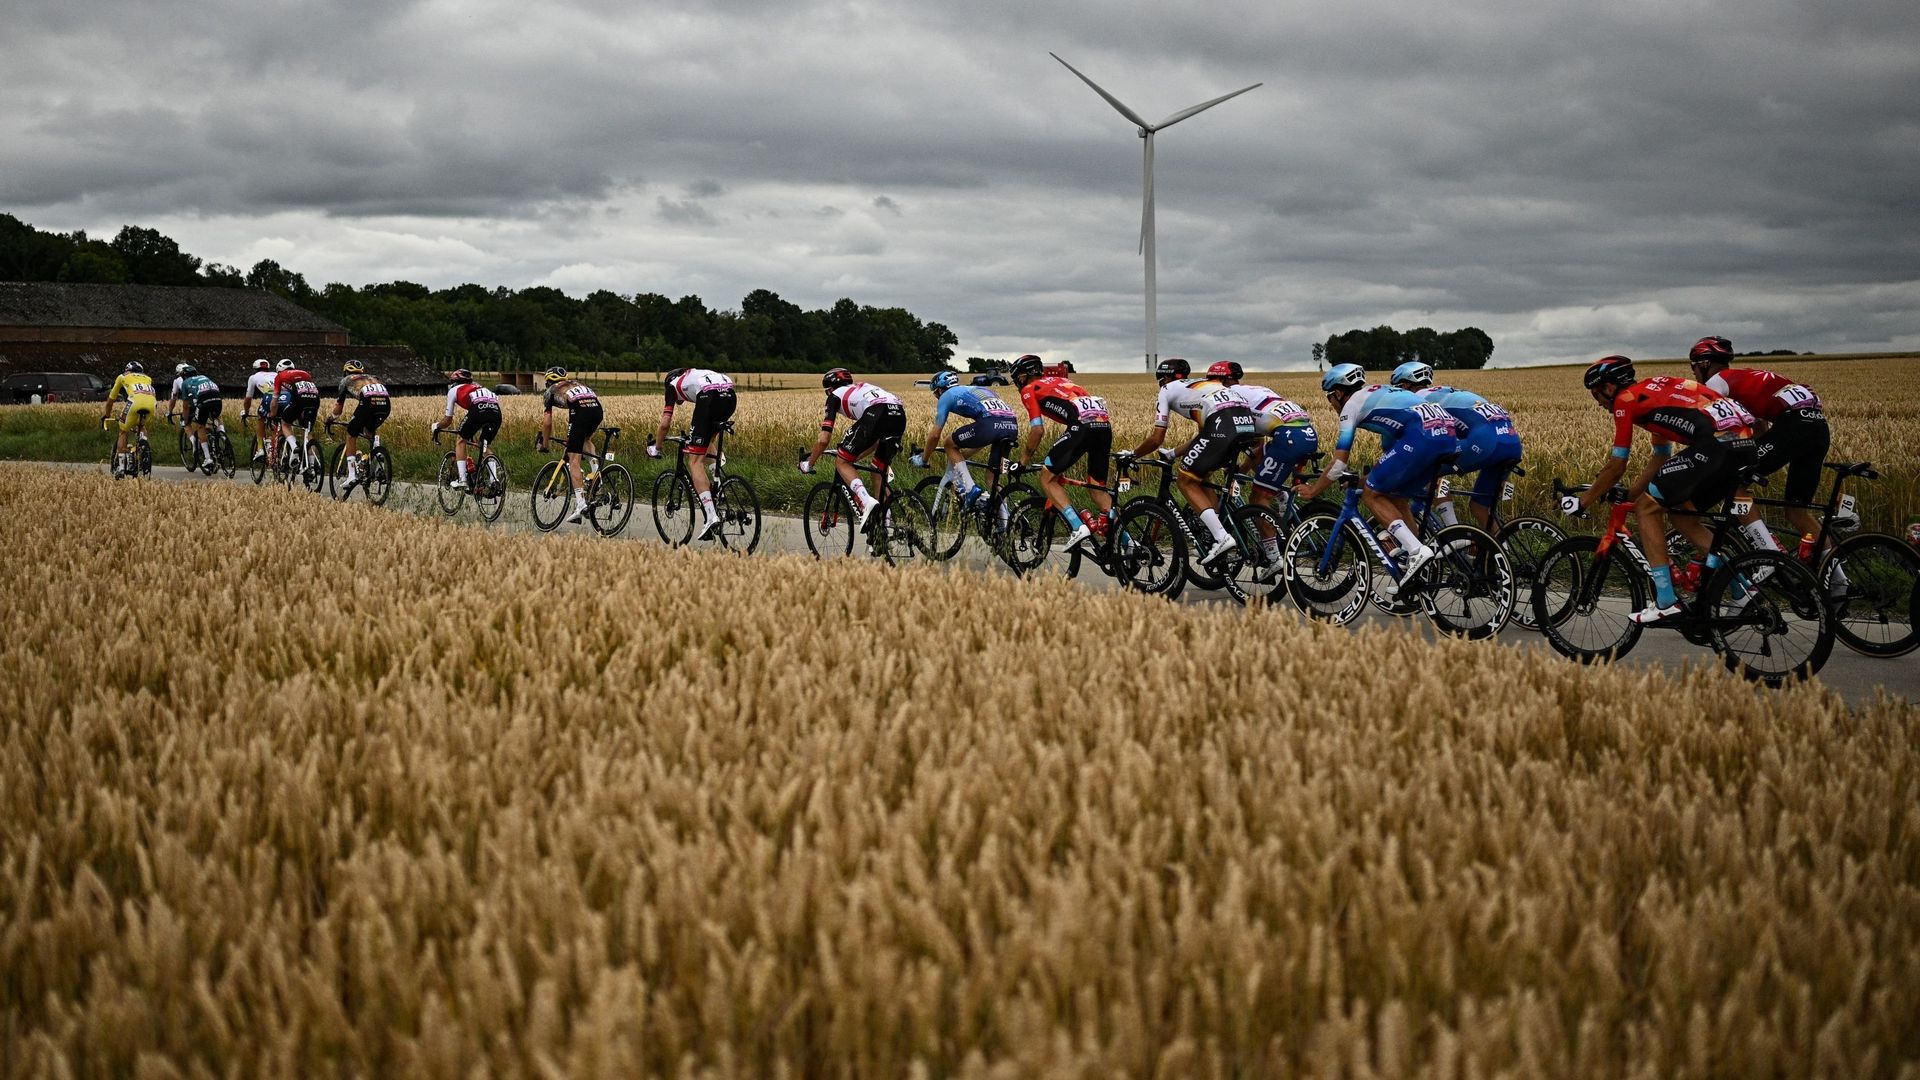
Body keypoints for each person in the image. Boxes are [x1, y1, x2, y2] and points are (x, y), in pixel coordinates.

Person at [1567, 356, 1765, 623]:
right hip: (1744, 446)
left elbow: (1617, 466)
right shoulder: (1652, 394)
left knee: (1647, 510)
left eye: (1595, 394)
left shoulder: (1625, 401)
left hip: (1716, 446)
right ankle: (1741, 587)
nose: (1598, 402)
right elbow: (1660, 457)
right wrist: (1629, 494)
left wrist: (1583, 502)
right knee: (1680, 513)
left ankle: (1665, 600)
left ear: (1609, 388)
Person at [1293, 362, 1462, 585]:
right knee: (1396, 495)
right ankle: (1420, 557)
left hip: (1422, 437)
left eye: (1330, 397)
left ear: (1340, 392)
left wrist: (1314, 490)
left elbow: (1338, 463)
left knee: (1371, 493)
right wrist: (1368, 477)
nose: (1330, 403)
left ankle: (1415, 550)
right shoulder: (1382, 392)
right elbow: (1393, 456)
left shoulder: (1351, 406)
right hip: (1448, 435)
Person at [1687, 335, 1830, 553]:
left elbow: (1709, 428)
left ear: (1705, 364)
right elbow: (1761, 430)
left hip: (1794, 426)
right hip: (1818, 428)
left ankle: (1768, 553)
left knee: (1733, 483)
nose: (1694, 374)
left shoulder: (1716, 383)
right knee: (1797, 511)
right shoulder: (1746, 377)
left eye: (1694, 368)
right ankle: (1836, 578)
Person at [1127, 357, 1260, 566]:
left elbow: (1156, 438)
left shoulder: (1166, 390)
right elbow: (1203, 437)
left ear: (1164, 379)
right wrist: (1172, 453)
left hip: (1222, 423)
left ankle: (1221, 537)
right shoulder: (1201, 386)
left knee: (1185, 480)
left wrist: (1133, 454)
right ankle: (1217, 531)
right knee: (1202, 474)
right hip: (1246, 423)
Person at [1209, 361, 1319, 577]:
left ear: (1220, 380)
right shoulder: (1254, 390)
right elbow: (1256, 445)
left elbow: (1228, 439)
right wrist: (1241, 469)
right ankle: (1284, 503)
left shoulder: (1229, 397)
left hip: (1288, 438)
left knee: (1257, 498)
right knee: (1265, 470)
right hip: (1307, 433)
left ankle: (1273, 558)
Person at [1389, 361, 1522, 532]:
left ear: (1405, 385)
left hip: (1486, 441)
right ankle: (1501, 552)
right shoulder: (1443, 391)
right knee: (1479, 507)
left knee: (1430, 469)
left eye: (1398, 388)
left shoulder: (1417, 401)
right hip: (1511, 441)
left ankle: (1454, 532)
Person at [1010, 353, 1114, 552]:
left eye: (1018, 378)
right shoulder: (1063, 381)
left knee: (1047, 478)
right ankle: (1126, 541)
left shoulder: (1029, 389)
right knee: (1097, 488)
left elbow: (1037, 430)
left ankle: (1077, 527)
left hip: (1081, 428)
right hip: (1104, 427)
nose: (1017, 383)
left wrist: (1023, 460)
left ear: (1024, 376)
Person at [801, 368, 904, 530]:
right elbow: (875, 441)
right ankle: (886, 521)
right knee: (878, 470)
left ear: (829, 389)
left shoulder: (834, 397)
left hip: (877, 413)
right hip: (898, 413)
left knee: (842, 462)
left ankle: (866, 502)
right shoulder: (860, 388)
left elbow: (823, 439)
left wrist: (809, 463)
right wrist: (854, 456)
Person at [911, 369, 1019, 509]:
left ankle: (970, 489)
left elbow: (935, 435)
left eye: (936, 393)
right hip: (1011, 426)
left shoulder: (946, 395)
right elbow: (984, 436)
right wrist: (961, 456)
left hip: (990, 425)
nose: (936, 397)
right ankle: (1006, 521)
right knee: (992, 478)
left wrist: (923, 459)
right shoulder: (979, 389)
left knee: (949, 444)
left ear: (940, 389)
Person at [649, 366, 736, 539]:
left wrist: (656, 447)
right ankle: (721, 489)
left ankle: (711, 516)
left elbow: (665, 424)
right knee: (706, 442)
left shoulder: (672, 385)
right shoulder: (695, 374)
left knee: (694, 461)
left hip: (709, 398)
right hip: (730, 395)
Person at [532, 366, 602, 524]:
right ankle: (597, 473)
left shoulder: (551, 391)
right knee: (585, 440)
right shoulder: (577, 383)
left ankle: (580, 505)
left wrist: (544, 443)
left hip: (580, 413)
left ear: (549, 380)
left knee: (573, 458)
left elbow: (547, 423)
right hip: (597, 410)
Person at [327, 359, 391, 498]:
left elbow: (338, 410)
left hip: (368, 404)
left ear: (345, 371)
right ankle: (377, 458)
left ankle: (351, 475)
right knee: (368, 431)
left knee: (351, 434)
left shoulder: (346, 380)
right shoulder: (373, 377)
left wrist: (330, 418)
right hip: (385, 405)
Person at [432, 369, 502, 491]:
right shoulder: (478, 387)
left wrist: (437, 426)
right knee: (484, 445)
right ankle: (494, 481)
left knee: (460, 440)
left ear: (454, 382)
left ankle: (462, 480)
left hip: (478, 410)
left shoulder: (454, 390)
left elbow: (447, 420)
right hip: (496, 412)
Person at [100, 361, 157, 476]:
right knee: (141, 425)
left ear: (127, 370)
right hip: (152, 404)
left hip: (134, 403)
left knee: (123, 430)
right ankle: (143, 444)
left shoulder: (122, 376)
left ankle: (121, 467)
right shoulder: (148, 378)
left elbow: (111, 400)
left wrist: (106, 415)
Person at [165, 362, 223, 472]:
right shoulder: (203, 377)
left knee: (187, 424)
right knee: (216, 417)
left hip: (195, 403)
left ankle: (195, 444)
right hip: (215, 399)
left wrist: (170, 411)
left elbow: (174, 398)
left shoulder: (178, 381)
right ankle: (222, 434)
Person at [268, 358, 322, 466]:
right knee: (307, 430)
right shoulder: (305, 373)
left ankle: (294, 448)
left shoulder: (279, 376)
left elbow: (274, 401)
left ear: (279, 370)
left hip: (300, 399)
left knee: (285, 423)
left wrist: (272, 414)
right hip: (315, 399)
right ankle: (311, 464)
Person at [241, 358, 277, 464]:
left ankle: (260, 449)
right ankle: (277, 449)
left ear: (255, 368)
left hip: (270, 397)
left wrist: (246, 411)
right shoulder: (275, 374)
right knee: (279, 423)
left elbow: (248, 399)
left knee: (260, 418)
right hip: (285, 397)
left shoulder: (253, 377)